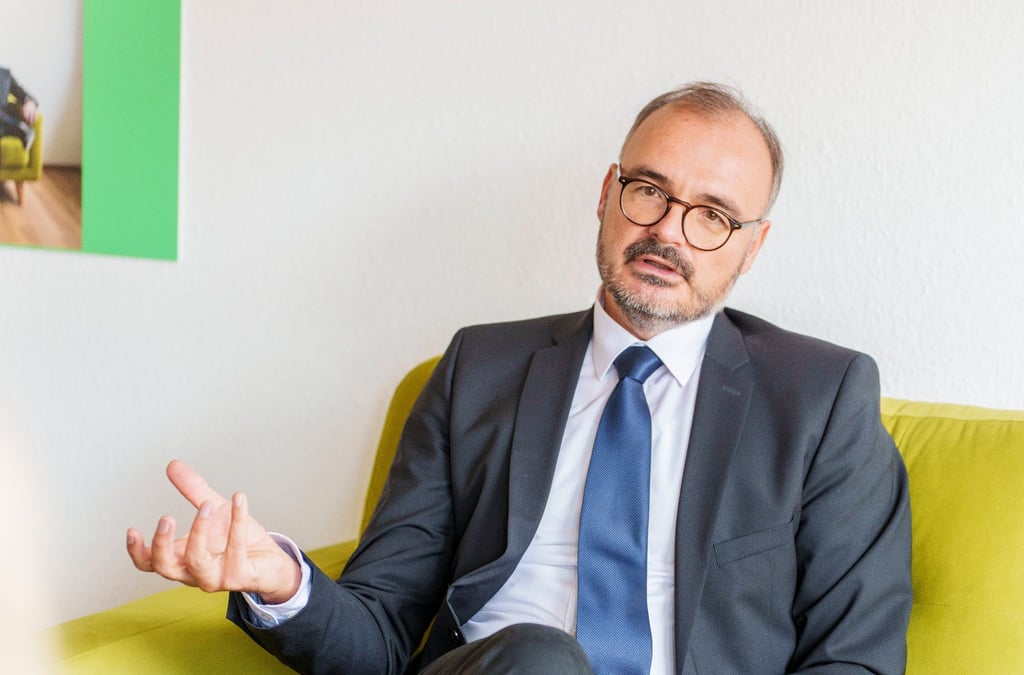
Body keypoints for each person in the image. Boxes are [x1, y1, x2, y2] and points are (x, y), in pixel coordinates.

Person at [127, 82, 912, 674]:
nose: (668, 231)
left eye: (713, 216)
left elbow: (857, 655)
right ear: (607, 196)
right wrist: (282, 581)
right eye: (649, 192)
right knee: (540, 660)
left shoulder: (819, 397)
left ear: (752, 246)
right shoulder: (479, 369)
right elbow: (381, 631)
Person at [0, 66, 38, 151]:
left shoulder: (5, 74)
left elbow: (23, 94)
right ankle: (19, 128)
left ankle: (19, 129)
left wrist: (30, 102)